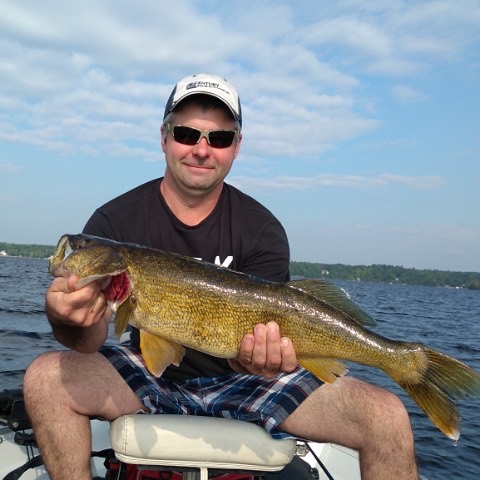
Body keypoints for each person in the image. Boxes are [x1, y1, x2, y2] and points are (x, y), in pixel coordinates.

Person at [24, 73, 419, 480]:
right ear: (164, 137)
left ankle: (404, 362)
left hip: (244, 379)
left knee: (386, 417)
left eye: (219, 139)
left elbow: (251, 357)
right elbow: (88, 342)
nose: (201, 149)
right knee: (44, 379)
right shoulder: (114, 222)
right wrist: (67, 320)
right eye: (186, 133)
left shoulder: (262, 229)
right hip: (146, 374)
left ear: (236, 148)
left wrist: (259, 359)